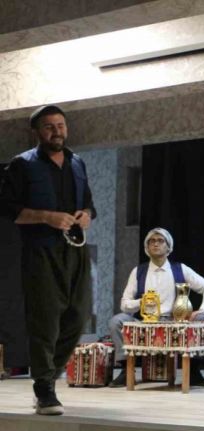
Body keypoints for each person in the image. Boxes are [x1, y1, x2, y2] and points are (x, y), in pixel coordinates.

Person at [0, 105, 96, 415]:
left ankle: (49, 376)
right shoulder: (22, 165)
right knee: (45, 320)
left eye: (60, 125)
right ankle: (44, 389)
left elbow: (90, 206)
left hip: (76, 250)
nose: (56, 131)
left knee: (78, 315)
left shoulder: (77, 162)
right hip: (41, 251)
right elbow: (9, 210)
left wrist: (86, 216)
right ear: (37, 132)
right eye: (49, 126)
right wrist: (47, 217)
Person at [108, 227, 204, 387]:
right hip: (146, 323)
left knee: (201, 319)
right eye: (151, 241)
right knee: (116, 321)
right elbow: (124, 304)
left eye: (160, 241)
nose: (155, 244)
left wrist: (203, 308)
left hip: (175, 323)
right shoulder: (138, 271)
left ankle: (194, 372)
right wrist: (141, 302)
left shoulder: (180, 269)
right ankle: (126, 371)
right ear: (147, 247)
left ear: (168, 247)